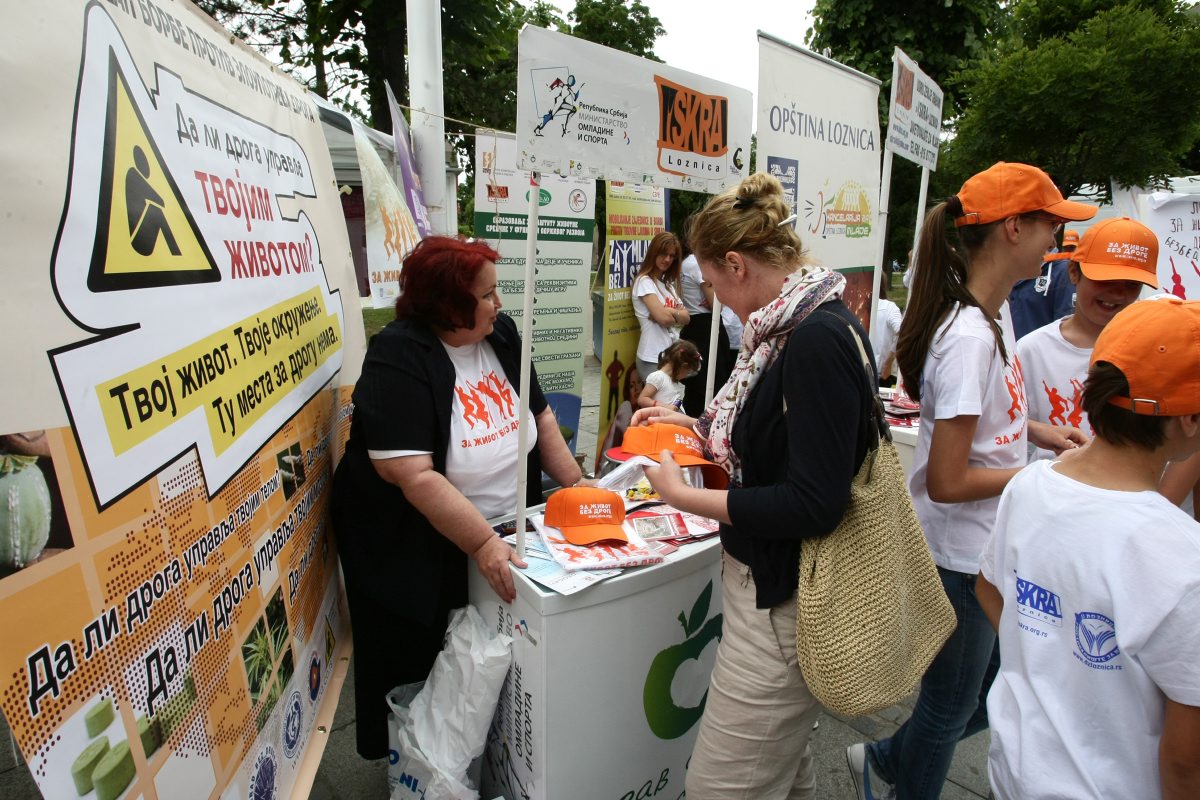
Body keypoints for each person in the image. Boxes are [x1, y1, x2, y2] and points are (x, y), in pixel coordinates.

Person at [848, 162, 1096, 800]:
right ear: (1013, 228)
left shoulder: (995, 314)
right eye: (1050, 224)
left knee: (982, 690)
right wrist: (1041, 475)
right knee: (950, 707)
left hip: (983, 546)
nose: (1058, 240)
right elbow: (948, 480)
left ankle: (882, 758)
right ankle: (891, 771)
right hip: (959, 557)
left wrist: (1038, 433)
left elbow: (988, 421)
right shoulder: (967, 337)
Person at [631, 173, 878, 799]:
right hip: (770, 592)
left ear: (737, 266)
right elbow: (773, 433)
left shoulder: (813, 340)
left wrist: (682, 495)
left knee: (720, 787)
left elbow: (813, 502)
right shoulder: (790, 326)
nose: (714, 300)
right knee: (782, 772)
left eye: (713, 285)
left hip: (783, 602)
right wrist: (689, 424)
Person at [330, 236, 586, 760]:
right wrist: (484, 544)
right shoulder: (398, 356)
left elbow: (539, 416)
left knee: (495, 665)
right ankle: (421, 766)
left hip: (501, 527)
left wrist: (578, 489)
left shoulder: (501, 333)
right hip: (415, 546)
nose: (498, 303)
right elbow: (414, 476)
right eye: (486, 295)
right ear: (447, 304)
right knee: (429, 671)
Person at [977, 296, 1200, 799]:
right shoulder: (1184, 559)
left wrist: (1048, 657)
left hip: (1013, 773)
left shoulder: (1030, 485)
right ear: (1187, 419)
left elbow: (989, 588)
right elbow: (1186, 764)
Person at [1019, 217, 1158, 460]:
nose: (1117, 292)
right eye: (1105, 279)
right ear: (1074, 272)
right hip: (1054, 482)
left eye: (1131, 284)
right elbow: (1001, 424)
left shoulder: (1155, 349)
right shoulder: (1032, 350)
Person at [679, 249, 733, 416]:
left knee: (697, 383)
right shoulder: (696, 264)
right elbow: (716, 303)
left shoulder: (686, 263)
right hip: (705, 327)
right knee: (710, 383)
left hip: (696, 327)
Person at [632, 231, 689, 380]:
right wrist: (674, 314)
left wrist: (668, 310)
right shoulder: (644, 281)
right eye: (664, 254)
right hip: (651, 357)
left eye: (672, 255)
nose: (668, 259)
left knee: (667, 395)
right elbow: (664, 319)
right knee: (658, 395)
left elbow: (687, 318)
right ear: (654, 252)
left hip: (669, 356)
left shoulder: (668, 285)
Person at [1008, 228, 1079, 339]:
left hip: (1040, 348)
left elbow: (1064, 328)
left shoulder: (1062, 271)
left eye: (1072, 248)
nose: (1068, 252)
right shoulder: (1009, 267)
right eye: (1066, 248)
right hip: (1009, 347)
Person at [596, 366, 643, 472]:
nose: (636, 389)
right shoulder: (626, 407)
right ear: (627, 390)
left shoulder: (638, 409)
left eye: (639, 382)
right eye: (631, 386)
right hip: (609, 467)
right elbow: (634, 439)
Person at [638, 339, 702, 410]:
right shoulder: (658, 377)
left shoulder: (673, 380)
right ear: (683, 366)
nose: (685, 376)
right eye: (687, 372)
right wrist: (665, 406)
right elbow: (642, 399)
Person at [871, 270, 903, 388]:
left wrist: (888, 362)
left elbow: (902, 332)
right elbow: (903, 333)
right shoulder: (888, 307)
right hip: (878, 373)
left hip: (880, 374)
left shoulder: (888, 308)